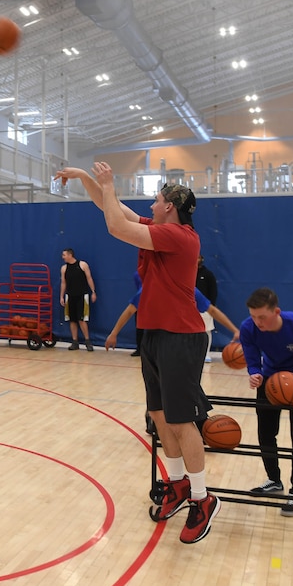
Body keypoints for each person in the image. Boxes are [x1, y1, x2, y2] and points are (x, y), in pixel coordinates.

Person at [59, 165, 218, 545]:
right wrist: (84, 176)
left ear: (171, 207)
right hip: (155, 333)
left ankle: (203, 498)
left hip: (181, 336)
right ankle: (178, 484)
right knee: (161, 417)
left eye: (158, 199)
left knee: (182, 422)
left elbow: (116, 226)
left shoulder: (181, 237)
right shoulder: (160, 229)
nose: (152, 203)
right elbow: (110, 208)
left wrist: (112, 182)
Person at [239, 287, 293, 516]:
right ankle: (274, 481)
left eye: (262, 317)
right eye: (253, 316)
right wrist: (254, 372)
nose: (257, 322)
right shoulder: (248, 327)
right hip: (270, 380)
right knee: (266, 434)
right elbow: (251, 357)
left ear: (276, 311)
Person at [104, 284, 239, 355]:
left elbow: (129, 311)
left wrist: (114, 333)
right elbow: (213, 311)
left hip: (171, 341)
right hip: (163, 340)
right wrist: (114, 333)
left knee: (163, 389)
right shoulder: (186, 288)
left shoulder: (187, 289)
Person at [60, 248, 97, 351]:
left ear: (70, 255)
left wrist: (93, 292)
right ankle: (75, 342)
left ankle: (87, 341)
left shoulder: (82, 265)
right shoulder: (64, 268)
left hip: (82, 295)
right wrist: (61, 296)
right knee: (72, 320)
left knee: (82, 319)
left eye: (64, 255)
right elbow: (63, 283)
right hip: (70, 296)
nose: (62, 257)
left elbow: (89, 278)